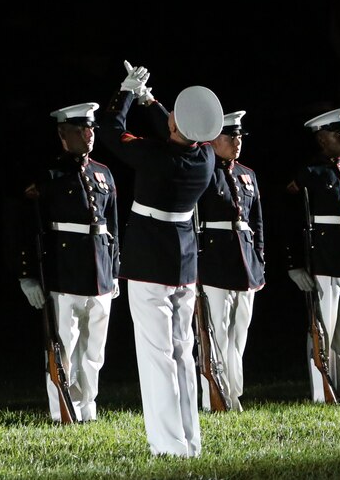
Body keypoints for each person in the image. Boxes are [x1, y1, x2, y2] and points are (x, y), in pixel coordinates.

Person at [96, 60, 223, 458]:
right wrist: (151, 101)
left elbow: (110, 132)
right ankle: (190, 440)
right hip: (184, 265)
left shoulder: (155, 157)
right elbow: (176, 130)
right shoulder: (206, 160)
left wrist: (125, 93)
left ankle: (169, 444)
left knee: (157, 357)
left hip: (150, 264)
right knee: (183, 353)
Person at [17, 102, 120, 423]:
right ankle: (62, 408)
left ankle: (87, 406)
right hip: (64, 272)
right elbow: (27, 226)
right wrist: (28, 274)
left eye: (91, 129)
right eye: (80, 130)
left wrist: (114, 269)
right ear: (63, 135)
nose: (88, 135)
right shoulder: (49, 175)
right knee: (63, 347)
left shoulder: (103, 173)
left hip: (100, 272)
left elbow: (112, 226)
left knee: (94, 351)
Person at [286, 106, 340, 404]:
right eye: (338, 133)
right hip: (323, 260)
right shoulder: (309, 173)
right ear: (322, 139)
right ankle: (322, 393)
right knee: (322, 331)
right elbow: (293, 220)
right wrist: (294, 263)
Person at [195, 110, 265, 412]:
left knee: (239, 333)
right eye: (230, 136)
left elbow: (257, 223)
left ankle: (233, 393)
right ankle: (215, 395)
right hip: (215, 261)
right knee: (216, 332)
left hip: (244, 262)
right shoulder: (203, 171)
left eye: (238, 136)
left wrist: (259, 260)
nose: (236, 141)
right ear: (212, 139)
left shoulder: (247, 175)